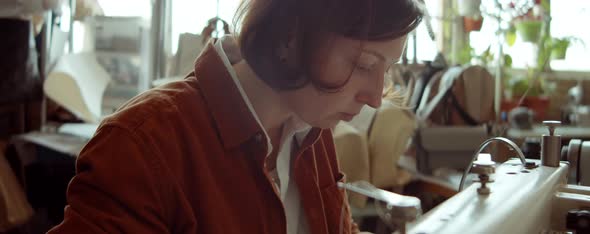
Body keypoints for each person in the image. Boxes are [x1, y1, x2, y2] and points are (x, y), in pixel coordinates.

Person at [48, 0, 423, 233]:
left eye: (386, 69)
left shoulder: (308, 126)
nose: (375, 97)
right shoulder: (143, 144)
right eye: (363, 64)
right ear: (291, 34)